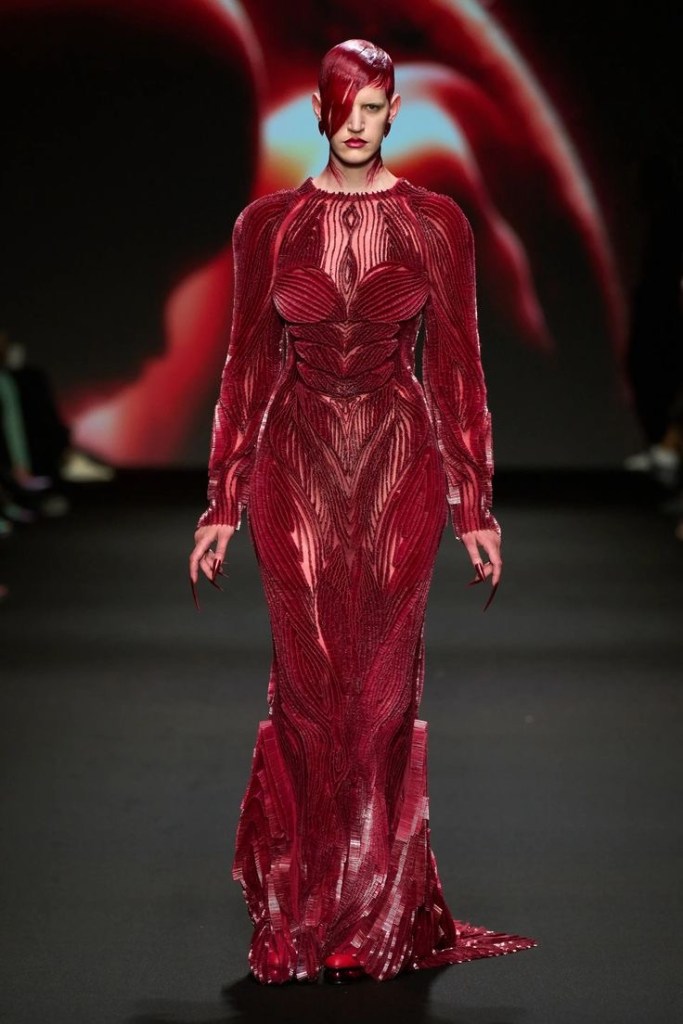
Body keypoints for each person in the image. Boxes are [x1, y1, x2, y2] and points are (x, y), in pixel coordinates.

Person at [189, 39, 536, 985]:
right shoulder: (268, 226)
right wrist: (223, 499)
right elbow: (245, 367)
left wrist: (474, 504)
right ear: (318, 111)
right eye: (342, 105)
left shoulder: (434, 224)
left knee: (379, 701)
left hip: (397, 468)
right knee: (308, 696)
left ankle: (374, 912)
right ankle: (304, 912)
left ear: (391, 113)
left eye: (373, 106)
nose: (356, 122)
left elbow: (456, 366)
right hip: (294, 469)